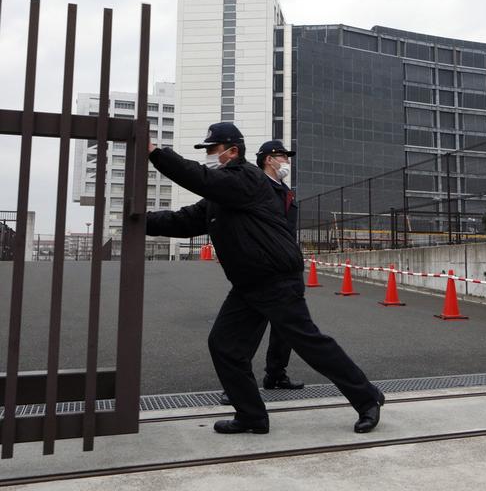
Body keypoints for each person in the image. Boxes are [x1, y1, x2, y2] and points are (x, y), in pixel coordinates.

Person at [145, 122, 384, 434]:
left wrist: (155, 154)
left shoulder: (244, 177)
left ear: (233, 150)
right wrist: (138, 219)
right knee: (225, 346)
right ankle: (251, 416)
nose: (211, 157)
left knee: (310, 344)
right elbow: (183, 221)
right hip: (248, 284)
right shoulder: (219, 194)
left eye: (213, 150)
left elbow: (199, 177)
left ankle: (367, 398)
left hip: (276, 279)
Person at [218, 139, 304, 406]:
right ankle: (237, 385)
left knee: (285, 327)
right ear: (269, 159)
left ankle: (276, 374)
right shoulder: (256, 185)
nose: (287, 161)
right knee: (250, 328)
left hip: (286, 266)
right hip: (260, 269)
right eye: (283, 157)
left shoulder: (286, 191)